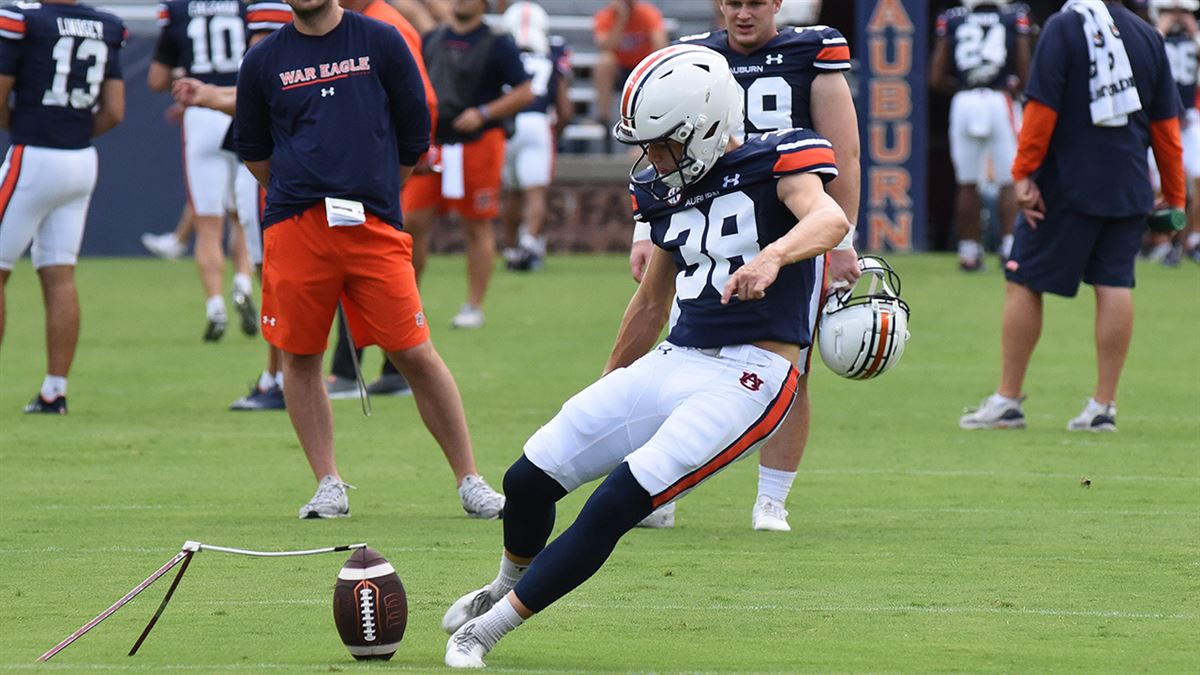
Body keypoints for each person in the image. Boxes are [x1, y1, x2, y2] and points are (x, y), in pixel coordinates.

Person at [440, 45, 849, 668]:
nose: (652, 158)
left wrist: (772, 258)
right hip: (676, 354)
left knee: (616, 502)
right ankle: (505, 583)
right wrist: (604, 387)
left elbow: (829, 218)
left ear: (707, 127)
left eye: (663, 144)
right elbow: (651, 303)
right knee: (528, 479)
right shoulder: (665, 186)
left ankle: (486, 630)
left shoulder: (780, 157)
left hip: (752, 373)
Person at [234, 0, 505, 519]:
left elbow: (413, 132)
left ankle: (471, 479)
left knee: (415, 352)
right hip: (295, 226)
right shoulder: (263, 60)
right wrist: (298, 189)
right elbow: (253, 147)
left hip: (371, 223)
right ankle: (328, 483)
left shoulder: (381, 40)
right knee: (300, 356)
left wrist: (378, 191)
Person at [632, 0, 862, 532]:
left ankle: (771, 499)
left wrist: (842, 238)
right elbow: (656, 144)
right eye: (732, 2)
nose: (742, 13)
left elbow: (844, 154)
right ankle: (657, 490)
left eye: (755, 2)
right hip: (707, 222)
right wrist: (646, 229)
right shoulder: (690, 54)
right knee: (680, 353)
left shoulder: (812, 50)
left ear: (777, 3)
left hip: (789, 224)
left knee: (792, 363)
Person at [960, 0, 1184, 432]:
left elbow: (1042, 110)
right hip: (1128, 184)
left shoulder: (1065, 25)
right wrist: (1174, 195)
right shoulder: (1147, 35)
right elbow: (1166, 127)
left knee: (1023, 280)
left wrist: (1024, 171)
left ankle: (1008, 398)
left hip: (1064, 185)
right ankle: (1104, 405)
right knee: (1115, 284)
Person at [0, 0, 126, 414]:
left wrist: (29, 128)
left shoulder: (26, 18)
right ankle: (55, 391)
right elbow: (114, 112)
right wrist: (70, 131)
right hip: (80, 160)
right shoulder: (105, 24)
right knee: (59, 274)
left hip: (33, 157)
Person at [171, 1, 297, 411]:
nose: (256, 47)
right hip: (276, 161)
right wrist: (211, 94)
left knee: (277, 273)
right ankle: (284, 373)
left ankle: (280, 377)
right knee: (270, 268)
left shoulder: (286, 54)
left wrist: (210, 97)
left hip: (280, 171)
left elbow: (263, 92)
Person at [323, 0, 442, 399]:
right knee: (366, 261)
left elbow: (421, 99)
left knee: (361, 261)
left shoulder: (383, 26)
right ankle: (388, 369)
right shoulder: (361, 23)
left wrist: (403, 162)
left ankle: (349, 370)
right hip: (365, 164)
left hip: (376, 169)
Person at [403, 0, 533, 329]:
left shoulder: (497, 41)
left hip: (478, 143)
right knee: (412, 222)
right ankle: (407, 300)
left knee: (476, 223)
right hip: (435, 143)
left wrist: (485, 113)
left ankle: (473, 305)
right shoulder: (433, 37)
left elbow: (525, 91)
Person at [149, 0, 257, 342]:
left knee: (207, 222)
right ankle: (242, 281)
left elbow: (156, 78)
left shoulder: (180, 9)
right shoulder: (247, 9)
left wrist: (185, 81)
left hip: (200, 112)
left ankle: (215, 306)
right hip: (243, 108)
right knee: (244, 213)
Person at [930, 0, 1032, 271]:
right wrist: (1014, 87)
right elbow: (1024, 69)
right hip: (1000, 100)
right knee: (1008, 179)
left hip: (965, 101)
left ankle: (969, 252)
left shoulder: (953, 18)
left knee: (967, 181)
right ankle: (1010, 249)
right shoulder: (1014, 16)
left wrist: (963, 87)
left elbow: (936, 77)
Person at [499, 1, 573, 271]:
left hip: (506, 124)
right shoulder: (554, 50)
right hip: (537, 123)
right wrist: (557, 132)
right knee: (535, 192)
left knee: (512, 193)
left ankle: (509, 250)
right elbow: (564, 108)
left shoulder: (500, 47)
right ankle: (529, 244)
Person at [1146, 0, 1200, 265]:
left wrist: (1194, 32)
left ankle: (1193, 239)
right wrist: (1162, 27)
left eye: (1184, 12)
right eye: (1172, 11)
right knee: (1158, 184)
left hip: (1190, 115)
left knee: (1196, 181)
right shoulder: (1152, 35)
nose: (1178, 17)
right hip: (1160, 116)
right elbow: (1144, 56)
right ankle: (1162, 240)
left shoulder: (1194, 38)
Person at [592, 0, 667, 151]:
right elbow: (606, 46)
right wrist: (621, 19)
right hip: (619, 71)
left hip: (642, 70)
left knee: (661, 64)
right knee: (604, 62)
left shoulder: (647, 13)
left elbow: (661, 45)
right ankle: (604, 120)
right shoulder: (606, 16)